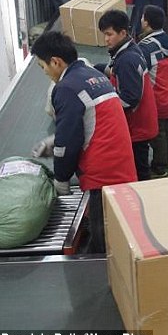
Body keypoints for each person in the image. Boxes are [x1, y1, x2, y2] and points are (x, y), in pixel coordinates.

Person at [31, 31, 137, 253]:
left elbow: (68, 143)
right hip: (120, 162)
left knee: (104, 240)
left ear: (56, 62)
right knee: (116, 227)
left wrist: (61, 178)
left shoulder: (66, 87)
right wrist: (54, 142)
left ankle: (103, 267)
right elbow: (87, 123)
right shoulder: (92, 75)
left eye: (43, 67)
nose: (45, 72)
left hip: (103, 173)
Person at [95, 10, 158, 181]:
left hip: (137, 126)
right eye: (104, 34)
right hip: (142, 122)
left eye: (109, 34)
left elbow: (129, 99)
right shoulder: (129, 49)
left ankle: (144, 194)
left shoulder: (126, 60)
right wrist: (97, 69)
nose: (106, 39)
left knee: (139, 170)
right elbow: (115, 71)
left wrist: (104, 108)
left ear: (122, 33)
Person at [137, 5, 168, 178]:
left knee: (157, 134)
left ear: (146, 22)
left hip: (156, 97)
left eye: (142, 17)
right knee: (165, 128)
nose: (140, 20)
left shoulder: (147, 46)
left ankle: (159, 167)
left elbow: (139, 71)